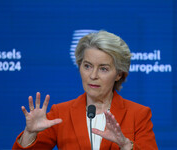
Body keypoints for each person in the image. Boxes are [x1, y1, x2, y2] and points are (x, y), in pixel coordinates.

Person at [12, 31, 158, 150]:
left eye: (103, 69)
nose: (93, 76)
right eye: (87, 66)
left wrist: (125, 145)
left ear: (118, 74)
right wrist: (29, 134)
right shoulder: (61, 113)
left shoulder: (138, 114)